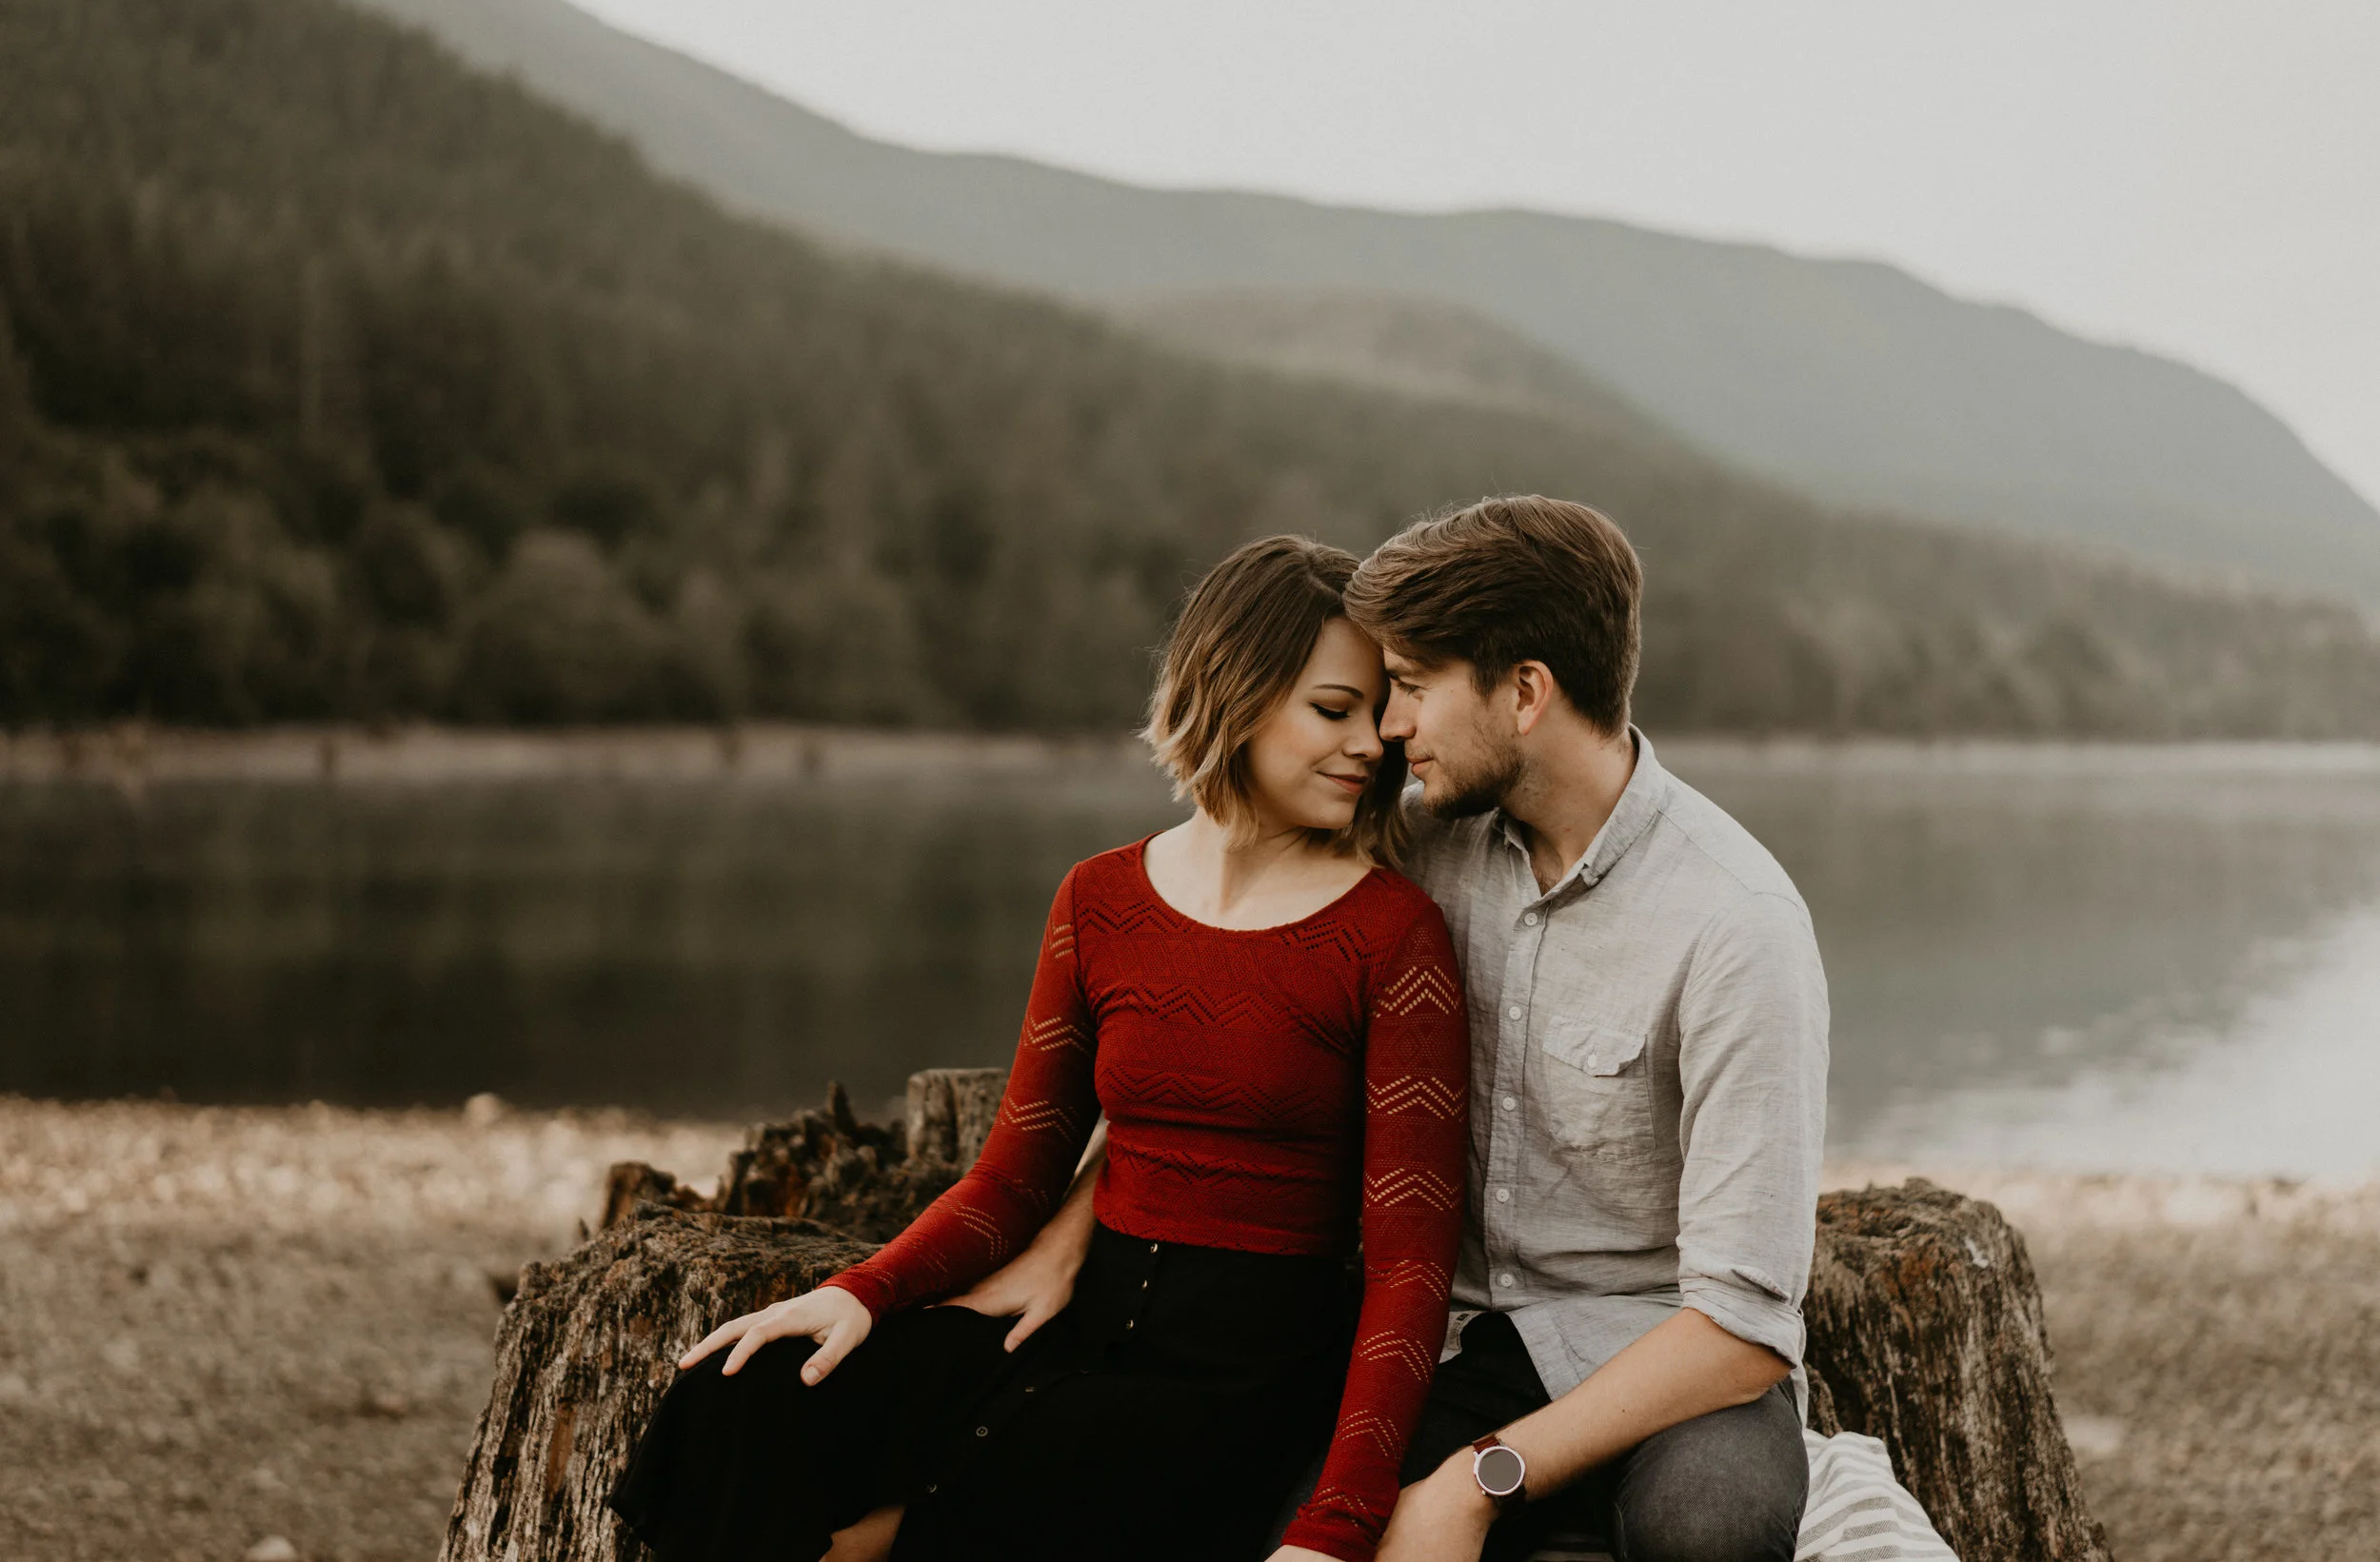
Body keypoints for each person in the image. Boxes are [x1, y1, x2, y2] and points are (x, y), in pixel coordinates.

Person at [981, 497, 1829, 1562]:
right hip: (1447, 1343)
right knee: (1291, 1531)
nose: (1388, 728)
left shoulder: (1735, 923)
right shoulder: (1409, 856)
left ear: (1523, 692)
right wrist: (1068, 1230)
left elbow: (1745, 1327)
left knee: (1712, 1527)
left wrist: (1479, 1483)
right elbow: (1223, 1048)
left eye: (1415, 688)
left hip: (1666, 1357)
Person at [609, 535, 1472, 1562]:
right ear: (1233, 692)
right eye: (1334, 709)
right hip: (1070, 1322)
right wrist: (856, 1291)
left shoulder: (1393, 936)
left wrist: (1336, 1522)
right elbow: (1013, 1175)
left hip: (1245, 1380)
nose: (1370, 745)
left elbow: (1410, 1267)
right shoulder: (1099, 899)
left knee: (980, 1495)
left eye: (1375, 714)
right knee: (739, 1391)